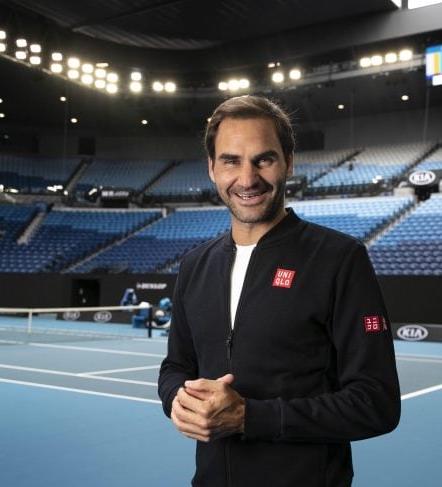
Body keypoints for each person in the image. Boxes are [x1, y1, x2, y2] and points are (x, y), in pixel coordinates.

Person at [158, 95, 401, 487]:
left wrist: (250, 417)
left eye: (264, 159)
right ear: (211, 168)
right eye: (231, 161)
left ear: (289, 161)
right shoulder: (194, 265)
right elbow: (175, 368)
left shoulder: (340, 259)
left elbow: (377, 403)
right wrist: (176, 400)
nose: (247, 179)